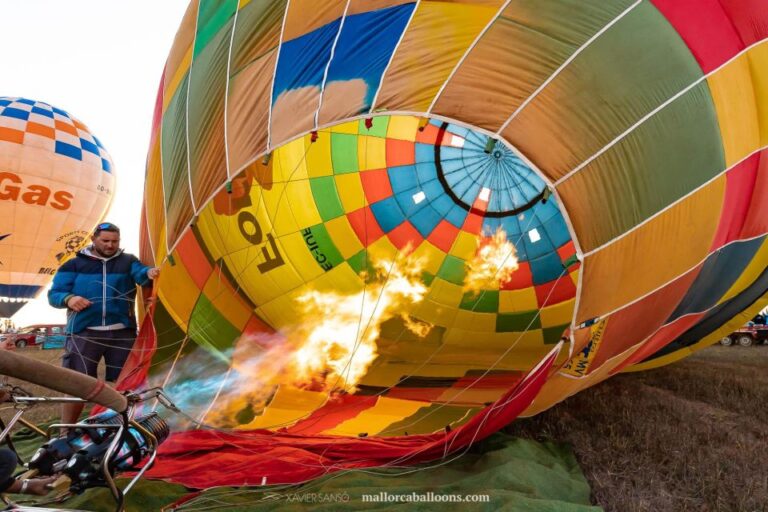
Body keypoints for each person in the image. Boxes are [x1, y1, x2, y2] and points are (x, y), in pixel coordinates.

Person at [48, 222, 159, 424]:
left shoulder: (128, 261)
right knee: (77, 383)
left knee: (126, 384)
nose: (110, 245)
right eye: (105, 240)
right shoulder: (72, 265)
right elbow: (54, 295)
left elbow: (141, 274)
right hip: (84, 332)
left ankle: (121, 426)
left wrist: (150, 273)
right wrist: (69, 299)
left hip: (122, 333)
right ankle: (66, 431)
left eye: (115, 241)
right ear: (93, 239)